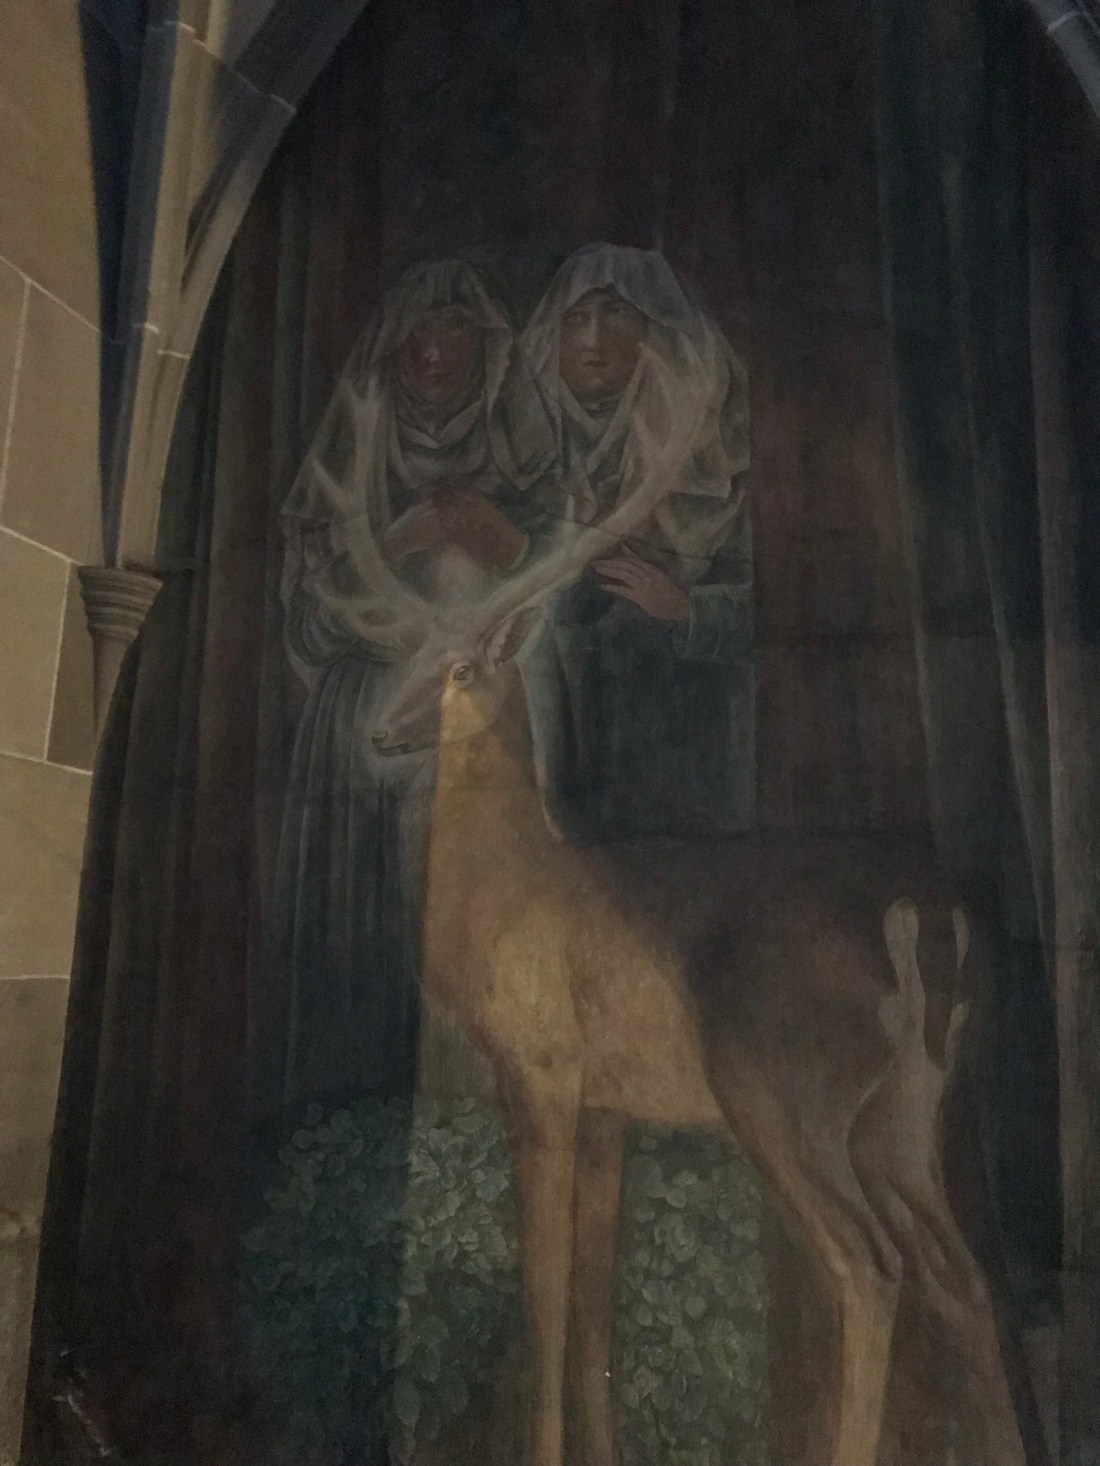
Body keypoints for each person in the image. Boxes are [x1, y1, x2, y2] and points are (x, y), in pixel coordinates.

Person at [254, 259, 553, 1118]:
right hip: (353, 745)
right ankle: (338, 1132)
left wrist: (505, 545)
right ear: (388, 352)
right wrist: (397, 541)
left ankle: (478, 1139)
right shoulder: (344, 473)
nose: (433, 351)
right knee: (356, 950)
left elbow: (553, 618)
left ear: (488, 350)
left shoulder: (529, 476)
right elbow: (308, 632)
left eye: (455, 330)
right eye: (417, 332)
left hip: (477, 740)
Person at [521, 242, 755, 844]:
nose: (593, 338)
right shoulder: (528, 455)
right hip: (551, 808)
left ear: (654, 330)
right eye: (576, 318)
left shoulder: (714, 458)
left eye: (616, 314)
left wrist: (686, 610)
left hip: (687, 789)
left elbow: (780, 612)